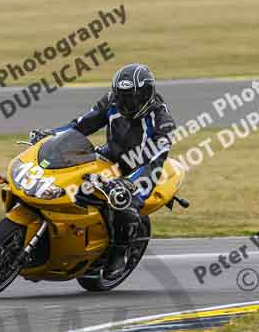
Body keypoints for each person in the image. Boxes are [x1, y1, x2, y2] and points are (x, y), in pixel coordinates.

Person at [32, 63, 177, 279]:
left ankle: (119, 252)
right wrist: (51, 135)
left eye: (132, 97)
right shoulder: (112, 102)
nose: (126, 103)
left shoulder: (162, 121)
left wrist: (131, 182)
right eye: (123, 96)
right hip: (112, 155)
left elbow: (156, 160)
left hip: (142, 169)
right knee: (71, 175)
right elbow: (81, 125)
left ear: (146, 94)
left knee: (124, 202)